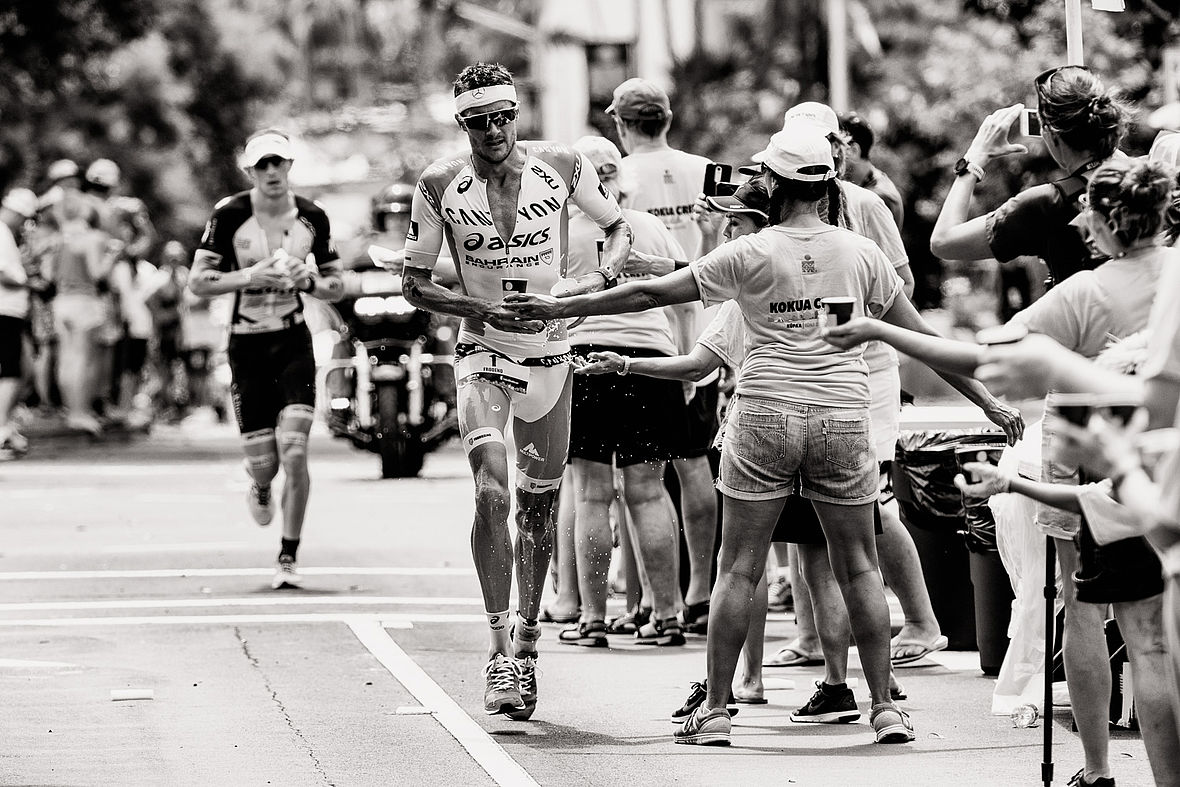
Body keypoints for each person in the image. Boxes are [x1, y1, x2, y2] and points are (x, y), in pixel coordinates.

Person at [506, 128, 936, 745]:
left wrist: (554, 310)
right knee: (860, 568)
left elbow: (653, 291)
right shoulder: (860, 254)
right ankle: (884, 709)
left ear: (778, 185)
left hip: (763, 415)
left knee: (737, 569)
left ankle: (715, 710)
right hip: (844, 416)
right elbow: (920, 339)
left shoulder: (749, 253)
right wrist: (992, 400)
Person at [826, 156, 1176, 787]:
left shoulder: (1085, 293)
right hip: (1163, 469)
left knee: (1115, 624)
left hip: (1105, 465)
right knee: (1157, 641)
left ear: (1102, 220)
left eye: (1086, 217)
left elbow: (978, 355)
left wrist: (879, 329)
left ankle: (1098, 769)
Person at [400, 62, 632, 719]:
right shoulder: (439, 182)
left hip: (551, 353)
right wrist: (476, 309)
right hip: (482, 348)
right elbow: (413, 282)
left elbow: (618, 229)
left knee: (536, 510)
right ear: (462, 123)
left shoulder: (561, 164)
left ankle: (529, 646)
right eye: (479, 121)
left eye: (503, 116)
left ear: (516, 113)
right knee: (488, 487)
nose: (494, 130)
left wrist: (593, 283)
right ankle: (498, 647)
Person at [188, 128, 343, 590]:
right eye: (262, 166)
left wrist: (308, 282)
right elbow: (198, 282)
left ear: (290, 167)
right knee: (267, 464)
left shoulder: (313, 217)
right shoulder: (230, 214)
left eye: (279, 163)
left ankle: (288, 555)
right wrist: (250, 276)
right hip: (247, 346)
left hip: (292, 341)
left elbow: (337, 285)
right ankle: (258, 482)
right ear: (250, 171)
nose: (272, 172)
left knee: (295, 449)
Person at [557, 135, 689, 648]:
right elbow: (686, 299)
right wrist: (683, 365)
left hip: (585, 355)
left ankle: (591, 618)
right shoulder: (650, 226)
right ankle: (669, 613)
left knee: (591, 493)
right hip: (649, 359)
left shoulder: (558, 229)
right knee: (649, 491)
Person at [608, 77, 719, 633]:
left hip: (641, 332)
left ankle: (650, 599)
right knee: (695, 462)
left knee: (638, 477)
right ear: (668, 121)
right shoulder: (704, 170)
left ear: (622, 126)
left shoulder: (615, 178)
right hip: (703, 331)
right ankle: (700, 590)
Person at [0, 188, 39, 457]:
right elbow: (3, 271)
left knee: (23, 369)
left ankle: (6, 425)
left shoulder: (7, 234)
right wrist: (28, 280)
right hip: (4, 310)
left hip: (12, 311)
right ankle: (1, 428)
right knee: (11, 371)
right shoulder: (1, 231)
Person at [838, 110, 904, 229]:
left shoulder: (877, 198)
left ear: (853, 151)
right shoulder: (871, 183)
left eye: (836, 146)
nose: (831, 155)